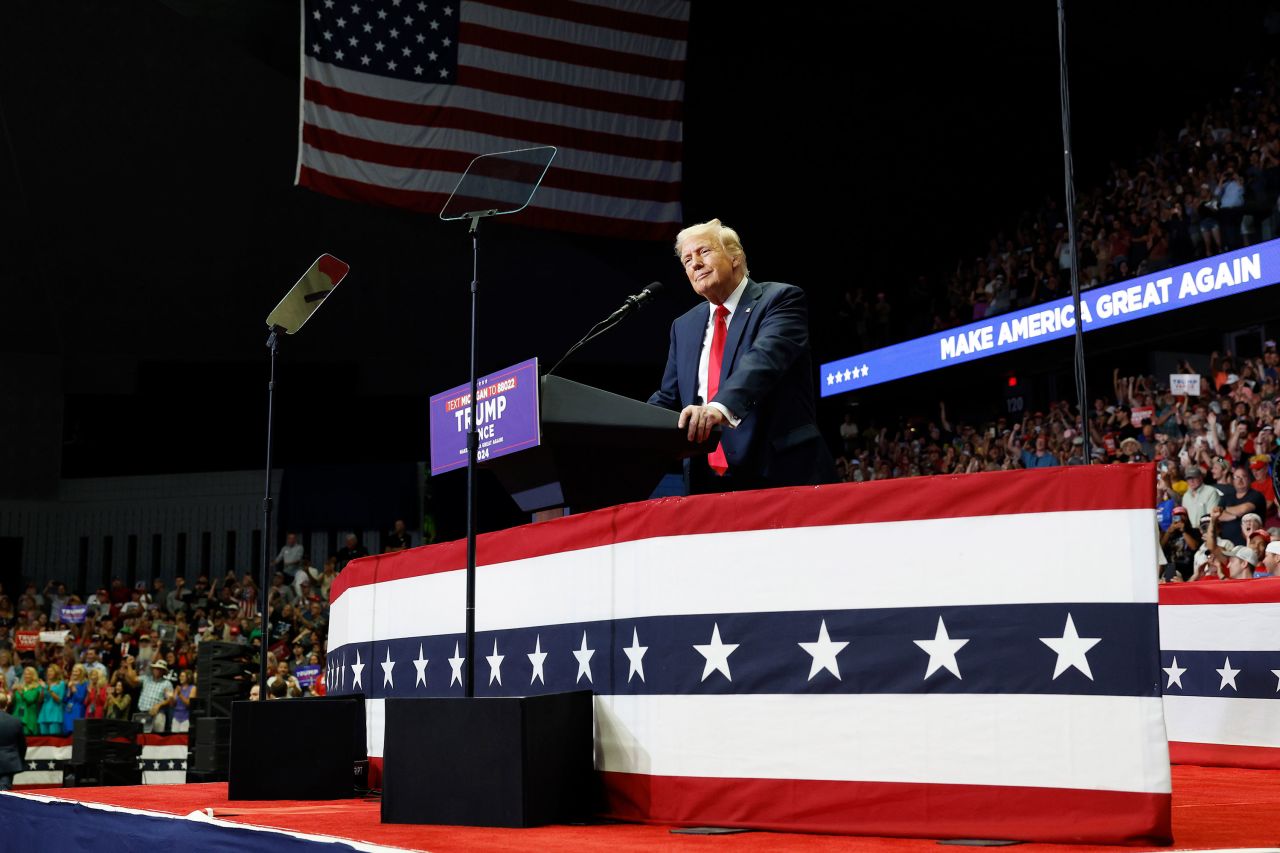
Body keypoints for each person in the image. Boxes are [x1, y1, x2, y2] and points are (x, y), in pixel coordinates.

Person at [648, 219, 835, 492]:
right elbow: (668, 397)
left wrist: (718, 408)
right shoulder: (684, 326)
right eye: (687, 260)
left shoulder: (780, 299)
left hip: (780, 472)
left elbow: (763, 362)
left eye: (703, 251)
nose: (695, 264)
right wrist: (629, 430)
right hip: (706, 482)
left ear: (735, 256)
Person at [0, 702, 25, 791]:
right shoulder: (15, 721)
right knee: (4, 792)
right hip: (9, 762)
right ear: (6, 705)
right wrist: (20, 761)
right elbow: (22, 745)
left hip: (8, 763)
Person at [12, 667, 42, 735]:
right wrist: (13, 692)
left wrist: (22, 693)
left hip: (29, 717)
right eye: (25, 674)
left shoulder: (36, 687)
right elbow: (14, 702)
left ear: (33, 676)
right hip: (18, 714)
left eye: (29, 674)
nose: (26, 676)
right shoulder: (20, 686)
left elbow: (30, 700)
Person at [38, 663, 66, 735]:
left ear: (56, 673)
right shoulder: (45, 684)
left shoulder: (61, 684)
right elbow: (40, 700)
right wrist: (42, 689)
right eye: (48, 672)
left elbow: (59, 699)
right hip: (44, 714)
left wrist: (48, 688)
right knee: (44, 741)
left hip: (55, 714)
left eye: (51, 671)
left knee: (54, 740)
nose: (49, 673)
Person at [63, 663, 88, 735]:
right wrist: (69, 691)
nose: (74, 673)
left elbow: (80, 699)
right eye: (73, 671)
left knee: (76, 731)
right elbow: (65, 700)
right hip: (68, 709)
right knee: (67, 731)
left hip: (78, 709)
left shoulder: (85, 683)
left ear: (81, 672)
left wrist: (73, 688)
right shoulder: (70, 683)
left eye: (76, 671)